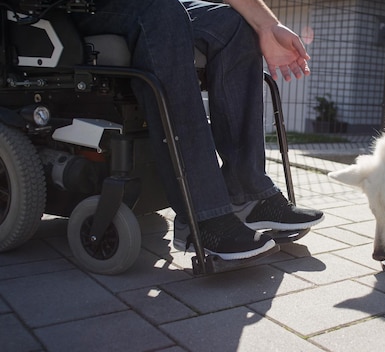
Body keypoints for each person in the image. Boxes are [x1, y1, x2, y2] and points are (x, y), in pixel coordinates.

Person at [71, 0, 324, 261]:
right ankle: (203, 217)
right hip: (82, 7)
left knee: (233, 23)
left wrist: (269, 26)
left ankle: (248, 194)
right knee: (162, 12)